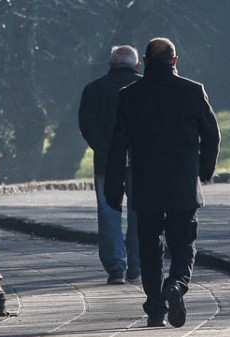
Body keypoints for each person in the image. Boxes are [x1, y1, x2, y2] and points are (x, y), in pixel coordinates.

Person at [105, 37, 220, 328]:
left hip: (146, 183)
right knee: (183, 242)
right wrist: (204, 171)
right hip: (182, 182)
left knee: (149, 245)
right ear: (175, 61)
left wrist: (114, 187)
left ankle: (155, 306)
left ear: (144, 62)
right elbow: (211, 135)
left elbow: (118, 144)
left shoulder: (130, 95)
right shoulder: (193, 91)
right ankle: (177, 285)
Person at [78, 45, 142, 285]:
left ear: (110, 65)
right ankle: (137, 263)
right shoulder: (145, 88)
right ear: (137, 65)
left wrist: (107, 149)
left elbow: (87, 125)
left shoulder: (94, 89)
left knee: (108, 214)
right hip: (140, 162)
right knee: (140, 212)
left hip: (106, 161)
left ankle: (116, 266)